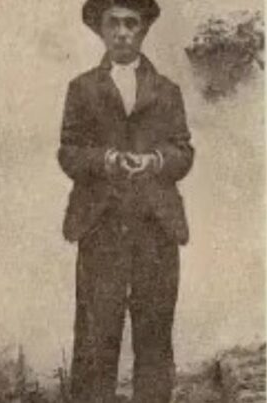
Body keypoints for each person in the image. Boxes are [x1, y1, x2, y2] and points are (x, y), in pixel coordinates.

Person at [59, 1, 192, 401]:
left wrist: (155, 160)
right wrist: (106, 159)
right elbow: (68, 152)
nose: (121, 32)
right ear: (100, 30)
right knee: (97, 334)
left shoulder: (167, 91)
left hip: (156, 228)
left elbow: (183, 152)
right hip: (101, 227)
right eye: (112, 23)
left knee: (154, 334)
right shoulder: (81, 89)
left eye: (130, 23)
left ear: (143, 30)